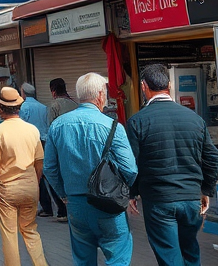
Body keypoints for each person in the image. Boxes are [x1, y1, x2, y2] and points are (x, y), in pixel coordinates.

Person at [126, 64, 218, 266]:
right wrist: (205, 190)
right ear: (169, 85)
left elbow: (131, 163)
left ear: (144, 87)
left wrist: (132, 193)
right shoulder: (194, 119)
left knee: (169, 256)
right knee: (190, 252)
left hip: (159, 200)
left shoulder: (137, 122)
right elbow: (213, 157)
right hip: (190, 198)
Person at [44, 73, 138, 266]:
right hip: (109, 203)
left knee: (83, 258)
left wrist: (63, 194)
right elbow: (130, 169)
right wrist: (123, 191)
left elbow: (49, 168)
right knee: (118, 255)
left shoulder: (57, 125)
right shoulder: (113, 126)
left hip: (76, 203)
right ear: (101, 94)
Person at [0, 87, 48, 266]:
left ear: (0, 108)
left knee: (10, 234)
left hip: (7, 190)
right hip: (30, 188)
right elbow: (39, 163)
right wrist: (34, 183)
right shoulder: (32, 130)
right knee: (30, 230)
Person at [19, 83, 57, 218]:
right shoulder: (43, 107)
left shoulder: (24, 107)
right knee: (47, 172)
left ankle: (45, 206)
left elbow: (21, 126)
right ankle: (57, 204)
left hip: (31, 143)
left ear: (23, 93)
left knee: (35, 175)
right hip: (44, 141)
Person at [44, 77, 79, 223]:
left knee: (52, 174)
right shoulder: (75, 104)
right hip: (75, 147)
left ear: (53, 91)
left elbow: (51, 130)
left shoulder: (54, 106)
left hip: (59, 148)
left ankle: (62, 209)